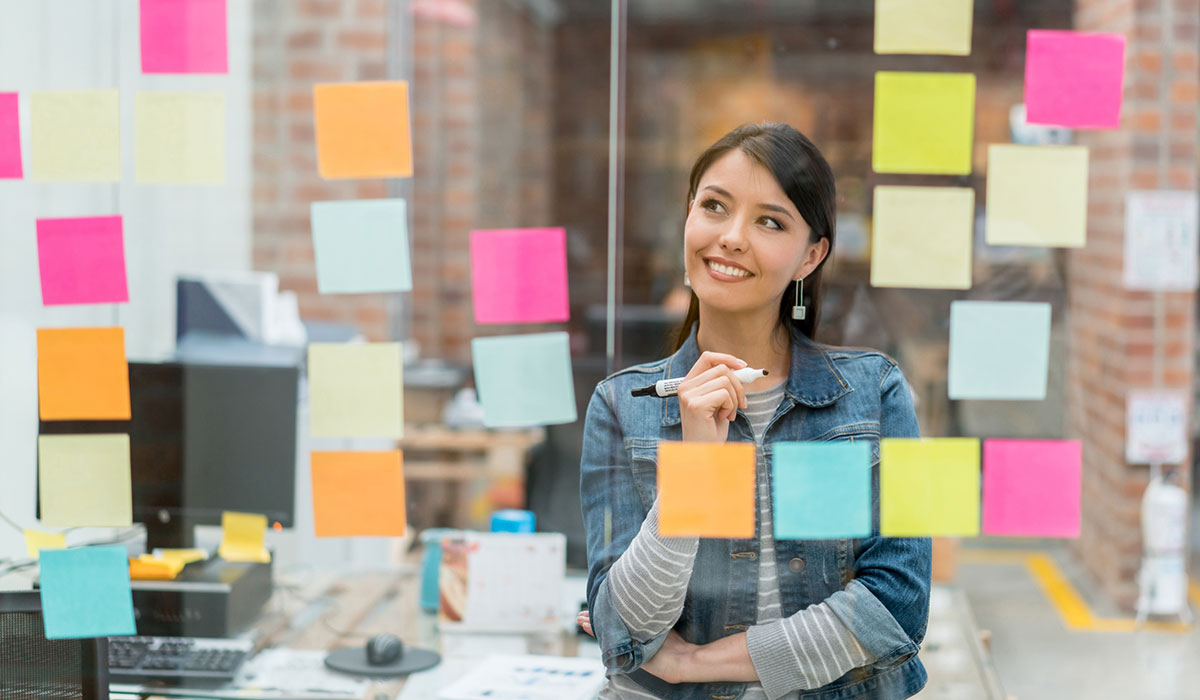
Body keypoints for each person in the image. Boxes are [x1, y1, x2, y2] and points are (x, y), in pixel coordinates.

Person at [578, 122, 931, 700]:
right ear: (688, 216)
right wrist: (697, 469)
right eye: (714, 206)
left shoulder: (875, 394)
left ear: (810, 256)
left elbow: (896, 609)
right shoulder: (622, 407)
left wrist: (692, 663)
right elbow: (624, 630)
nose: (732, 237)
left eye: (771, 221)